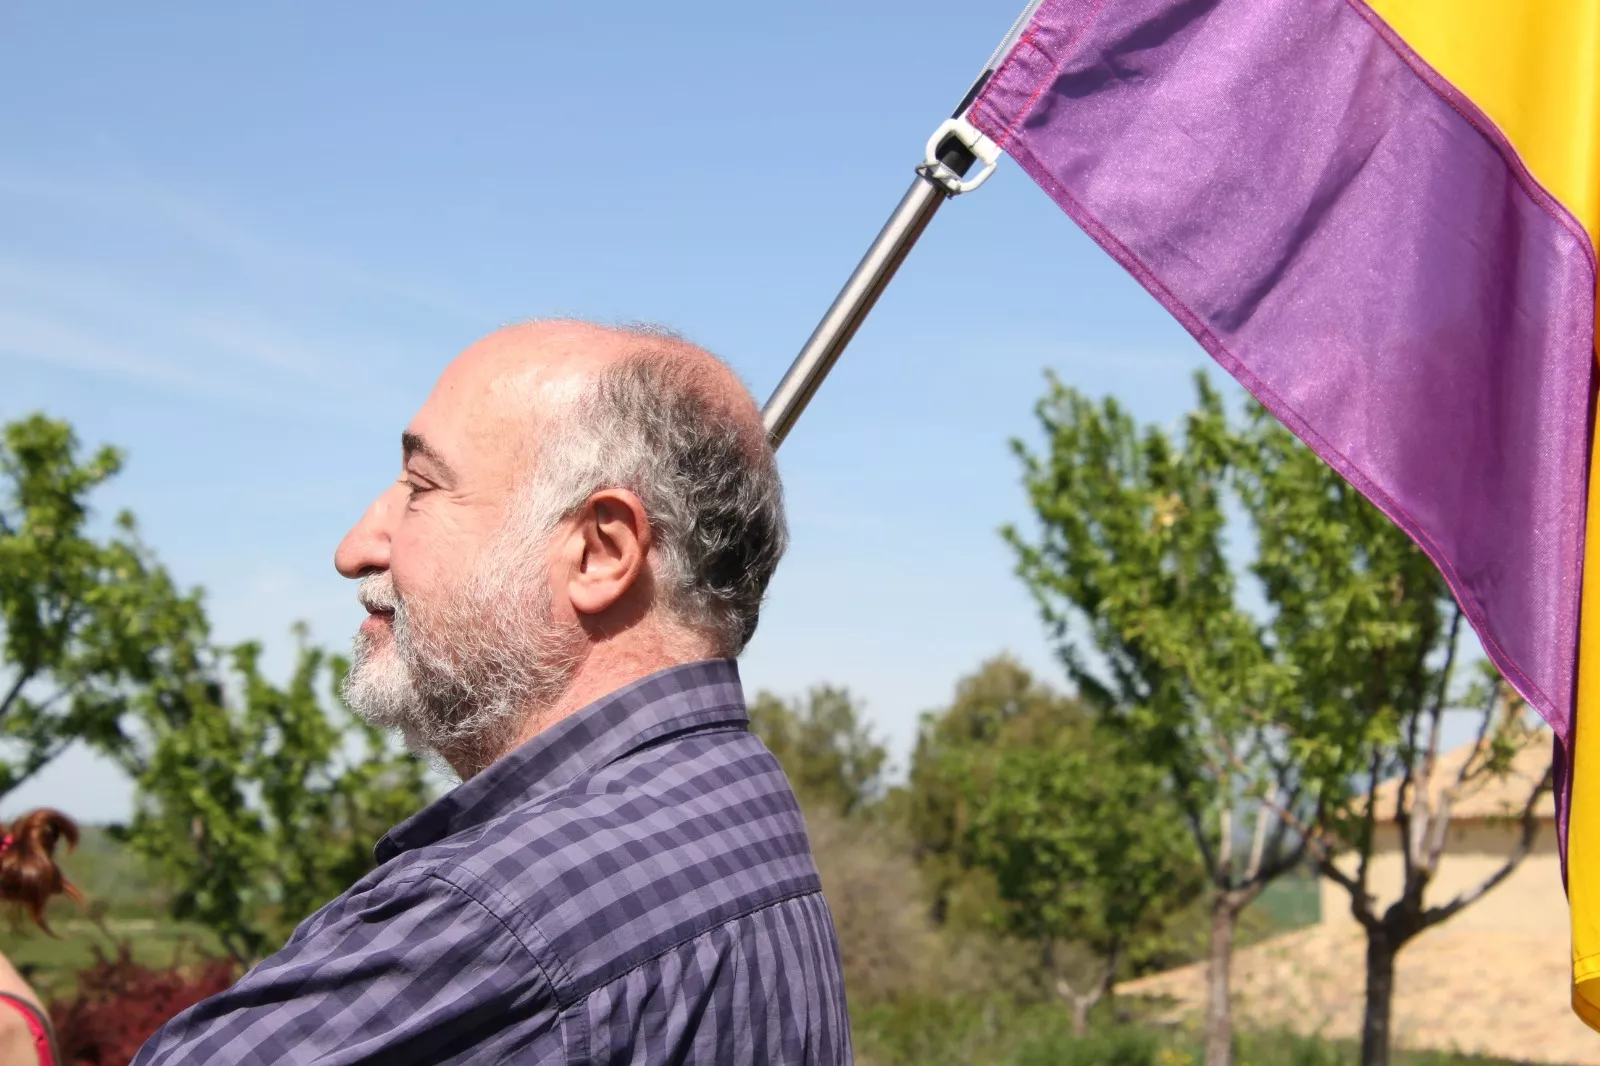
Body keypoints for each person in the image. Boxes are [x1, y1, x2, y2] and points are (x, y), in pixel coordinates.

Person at [77, 319, 844, 1063]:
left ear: (600, 552)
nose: (356, 548)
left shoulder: (495, 919)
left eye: (419, 486)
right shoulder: (740, 810)